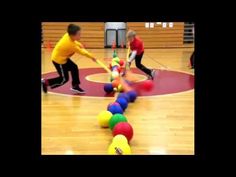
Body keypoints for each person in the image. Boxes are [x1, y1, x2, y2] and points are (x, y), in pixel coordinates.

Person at [41, 24, 96, 94]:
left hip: (63, 57)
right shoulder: (70, 45)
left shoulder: (68, 35)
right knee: (64, 79)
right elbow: (82, 52)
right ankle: (46, 82)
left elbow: (74, 41)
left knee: (74, 67)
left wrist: (79, 44)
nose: (80, 36)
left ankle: (75, 86)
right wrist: (92, 57)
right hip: (58, 60)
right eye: (78, 34)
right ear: (72, 35)